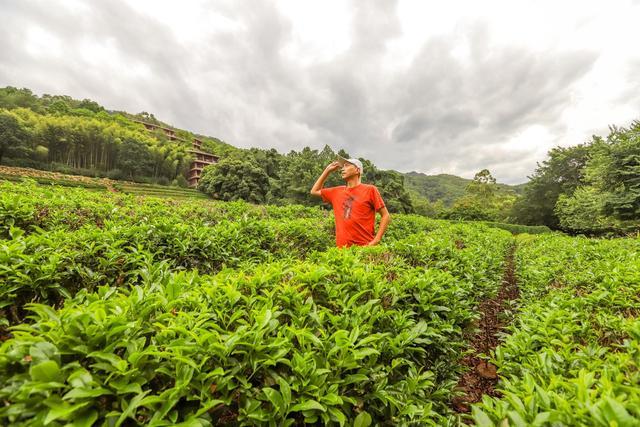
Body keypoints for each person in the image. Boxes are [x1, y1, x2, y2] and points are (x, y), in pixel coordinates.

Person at [310, 157, 390, 247]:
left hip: (364, 249)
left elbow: (386, 216)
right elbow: (314, 191)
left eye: (347, 166)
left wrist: (376, 241)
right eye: (342, 166)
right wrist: (327, 170)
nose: (343, 169)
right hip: (342, 251)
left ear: (357, 170)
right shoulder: (336, 191)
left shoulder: (370, 190)